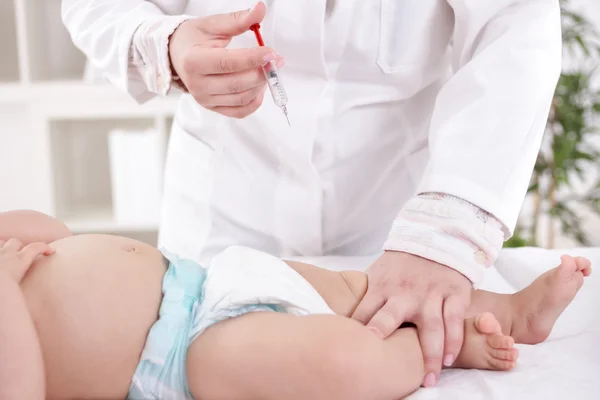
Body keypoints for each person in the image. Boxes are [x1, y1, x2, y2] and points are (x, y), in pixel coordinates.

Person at [61, 0, 563, 386]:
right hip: (223, 219)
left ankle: (494, 313)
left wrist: (443, 240)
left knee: (365, 326)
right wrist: (165, 45)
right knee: (274, 356)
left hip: (392, 222)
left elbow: (517, 30)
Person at [0, 210, 592, 399]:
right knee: (338, 360)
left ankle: (510, 311)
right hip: (183, 359)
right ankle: (444, 344)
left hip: (204, 280)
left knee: (357, 290)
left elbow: (54, 231)